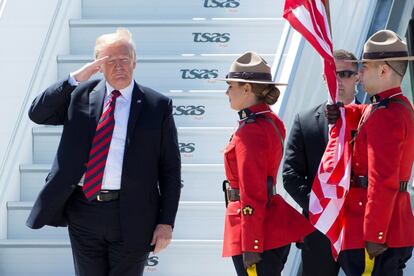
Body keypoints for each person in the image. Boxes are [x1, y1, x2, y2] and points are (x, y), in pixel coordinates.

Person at [26, 28, 181, 276]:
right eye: (110, 61)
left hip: (134, 213)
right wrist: (76, 78)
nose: (119, 67)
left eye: (124, 60)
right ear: (98, 64)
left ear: (135, 62)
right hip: (83, 210)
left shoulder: (157, 105)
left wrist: (166, 222)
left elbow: (170, 169)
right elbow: (38, 113)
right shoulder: (80, 95)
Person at [219, 51, 315, 276]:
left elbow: (253, 190)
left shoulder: (251, 130)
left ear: (247, 89)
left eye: (230, 85)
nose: (226, 92)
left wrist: (251, 243)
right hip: (268, 224)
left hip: (256, 231)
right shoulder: (270, 121)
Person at [328, 30, 414, 275]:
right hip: (389, 225)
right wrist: (344, 112)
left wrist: (375, 233)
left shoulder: (386, 115)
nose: (360, 73)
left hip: (373, 230)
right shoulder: (391, 106)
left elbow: (382, 179)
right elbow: (366, 111)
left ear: (383, 71)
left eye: (365, 67)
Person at [282, 49, 360, 276]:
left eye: (345, 73)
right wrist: (319, 207)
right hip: (318, 230)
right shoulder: (305, 120)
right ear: (324, 77)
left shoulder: (371, 117)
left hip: (358, 225)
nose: (338, 79)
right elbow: (290, 175)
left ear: (358, 77)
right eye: (332, 73)